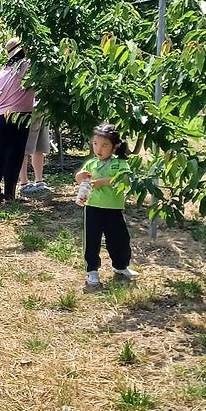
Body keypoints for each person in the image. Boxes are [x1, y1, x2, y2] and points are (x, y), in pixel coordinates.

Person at [76, 123, 138, 290]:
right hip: (93, 207)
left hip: (113, 209)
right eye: (95, 144)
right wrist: (80, 176)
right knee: (92, 240)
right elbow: (81, 179)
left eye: (104, 145)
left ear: (114, 147)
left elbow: (124, 179)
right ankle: (92, 270)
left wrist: (104, 182)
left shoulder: (120, 163)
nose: (99, 149)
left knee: (119, 239)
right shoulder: (91, 163)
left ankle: (120, 266)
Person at [0, 38, 34, 204]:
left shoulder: (4, 69)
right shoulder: (27, 65)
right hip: (21, 115)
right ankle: (9, 194)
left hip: (2, 115)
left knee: (1, 153)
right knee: (15, 155)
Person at [19, 112, 54, 194]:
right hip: (27, 112)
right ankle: (24, 183)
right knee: (25, 149)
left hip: (43, 112)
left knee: (40, 148)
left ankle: (39, 181)